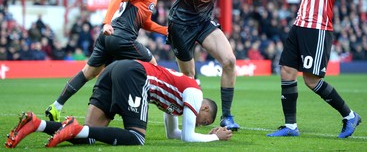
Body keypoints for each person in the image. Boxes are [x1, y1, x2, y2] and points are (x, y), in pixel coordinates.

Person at [45, 0, 172, 122]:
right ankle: (164, 106)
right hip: (120, 36)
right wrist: (106, 23)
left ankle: (56, 106)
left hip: (109, 38)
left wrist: (166, 31)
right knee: (153, 65)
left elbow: (145, 22)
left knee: (88, 73)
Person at [266, 0, 361, 138]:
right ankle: (290, 126)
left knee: (311, 80)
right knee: (287, 71)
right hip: (300, 23)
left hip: (318, 27)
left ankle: (349, 116)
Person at [5, 59, 233, 148]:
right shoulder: (194, 90)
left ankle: (37, 124)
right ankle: (69, 126)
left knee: (88, 136)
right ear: (204, 108)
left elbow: (174, 134)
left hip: (115, 69)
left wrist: (206, 133)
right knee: (136, 137)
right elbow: (187, 136)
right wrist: (215, 136)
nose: (197, 123)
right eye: (203, 121)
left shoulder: (176, 101)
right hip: (134, 74)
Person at [167, 0, 262, 131]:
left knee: (229, 61)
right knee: (189, 76)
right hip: (181, 23)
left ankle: (227, 116)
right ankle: (184, 112)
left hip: (202, 21)